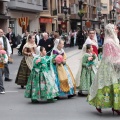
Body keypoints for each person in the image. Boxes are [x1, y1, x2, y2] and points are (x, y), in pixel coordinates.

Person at [88, 23, 120, 114]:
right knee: (109, 85)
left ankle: (116, 106)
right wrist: (117, 62)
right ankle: (106, 105)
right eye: (115, 29)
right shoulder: (108, 42)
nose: (116, 30)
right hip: (109, 66)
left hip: (115, 65)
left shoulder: (114, 40)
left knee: (115, 86)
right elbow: (108, 56)